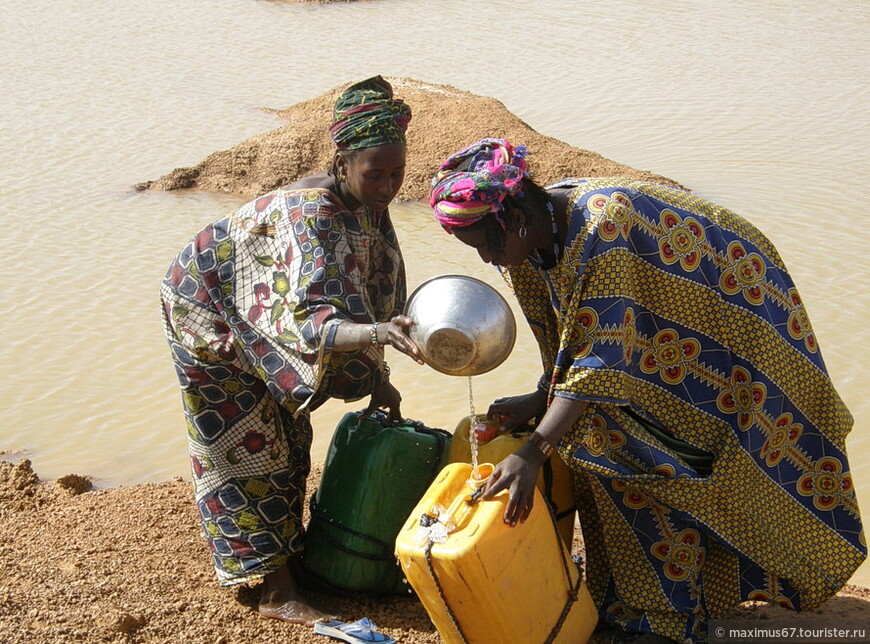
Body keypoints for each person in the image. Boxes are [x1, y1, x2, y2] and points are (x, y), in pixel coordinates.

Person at [429, 138, 866, 643]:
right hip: (658, 336)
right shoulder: (529, 245)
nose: (486, 259)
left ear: (516, 218)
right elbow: (568, 342)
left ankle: (670, 618)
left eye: (487, 244)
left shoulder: (601, 227)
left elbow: (601, 360)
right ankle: (631, 601)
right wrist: (538, 400)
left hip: (733, 314)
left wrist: (531, 452)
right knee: (591, 430)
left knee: (658, 449)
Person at [160, 76, 424, 625]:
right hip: (208, 313)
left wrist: (378, 376)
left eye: (397, 173)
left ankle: (289, 558)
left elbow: (360, 290)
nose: (388, 186)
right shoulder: (313, 215)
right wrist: (379, 336)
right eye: (376, 173)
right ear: (343, 160)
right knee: (245, 439)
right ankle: (275, 588)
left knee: (289, 429)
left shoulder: (365, 201)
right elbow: (315, 321)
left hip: (260, 315)